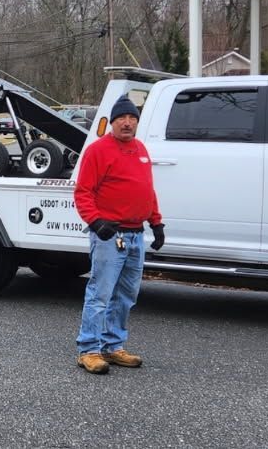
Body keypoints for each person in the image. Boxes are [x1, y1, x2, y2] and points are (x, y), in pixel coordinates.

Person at [72, 95, 164, 374]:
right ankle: (88, 349)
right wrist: (96, 222)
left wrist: (156, 223)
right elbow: (83, 192)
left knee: (126, 295)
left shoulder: (141, 149)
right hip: (109, 235)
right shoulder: (98, 151)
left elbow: (147, 190)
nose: (127, 123)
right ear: (112, 122)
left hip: (136, 235)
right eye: (121, 118)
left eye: (132, 118)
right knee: (101, 294)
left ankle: (113, 346)